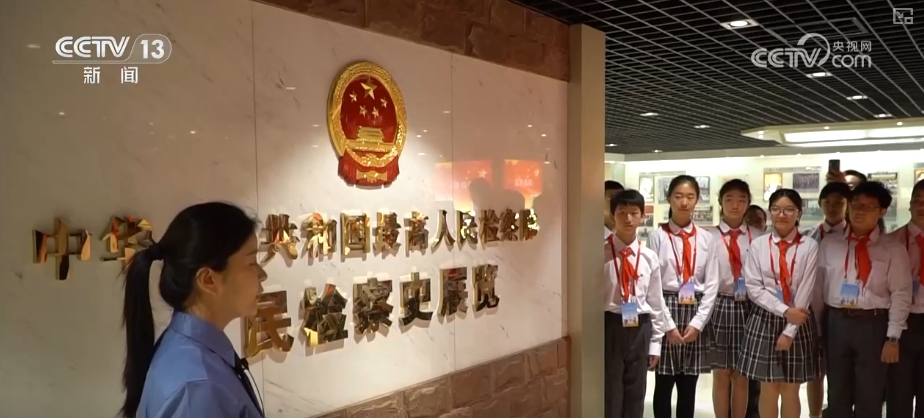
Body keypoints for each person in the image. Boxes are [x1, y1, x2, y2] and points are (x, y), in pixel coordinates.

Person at [121, 202, 267, 418]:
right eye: (251, 262)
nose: (263, 274)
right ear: (208, 280)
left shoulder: (191, 355)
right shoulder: (198, 390)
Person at [821, 181, 911, 418]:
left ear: (882, 211)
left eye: (868, 207)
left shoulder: (892, 248)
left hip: (873, 324)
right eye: (856, 205)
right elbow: (818, 288)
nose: (859, 211)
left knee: (870, 392)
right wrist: (819, 329)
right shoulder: (830, 243)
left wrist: (893, 337)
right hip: (836, 321)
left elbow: (901, 294)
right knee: (837, 391)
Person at [737, 188, 821, 418]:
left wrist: (790, 330)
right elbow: (754, 288)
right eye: (776, 209)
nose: (781, 215)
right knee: (768, 387)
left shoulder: (809, 246)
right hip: (765, 318)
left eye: (788, 210)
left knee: (791, 388)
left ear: (799, 213)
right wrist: (784, 311)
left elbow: (806, 289)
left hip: (799, 320)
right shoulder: (758, 245)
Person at [648, 175, 718, 418]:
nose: (684, 202)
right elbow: (653, 285)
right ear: (669, 198)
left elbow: (712, 285)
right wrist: (667, 326)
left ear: (697, 200)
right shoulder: (657, 236)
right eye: (678, 196)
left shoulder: (707, 239)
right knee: (663, 383)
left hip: (696, 310)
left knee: (689, 386)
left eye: (690, 197)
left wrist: (698, 323)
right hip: (665, 306)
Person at [604, 189, 666, 418]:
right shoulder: (600, 254)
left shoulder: (649, 257)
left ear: (642, 217)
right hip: (610, 325)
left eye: (634, 213)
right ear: (612, 216)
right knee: (611, 391)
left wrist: (656, 343)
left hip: (641, 326)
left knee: (636, 391)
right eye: (621, 212)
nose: (628, 218)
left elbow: (656, 302)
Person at [707, 179, 762, 418]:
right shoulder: (708, 236)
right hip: (718, 304)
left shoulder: (759, 237)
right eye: (729, 199)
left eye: (741, 200)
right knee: (720, 373)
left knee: (742, 374)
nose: (735, 205)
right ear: (720, 202)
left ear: (748, 203)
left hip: (749, 306)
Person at [800, 181, 850, 418]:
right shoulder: (808, 236)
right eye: (827, 202)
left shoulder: (854, 235)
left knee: (841, 372)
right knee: (815, 371)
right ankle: (815, 415)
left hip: (841, 309)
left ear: (847, 205)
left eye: (839, 202)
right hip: (811, 309)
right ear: (820, 204)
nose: (832, 207)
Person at [886, 179, 924, 418]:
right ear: (909, 205)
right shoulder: (892, 241)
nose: (921, 206)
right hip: (902, 324)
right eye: (917, 201)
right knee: (898, 390)